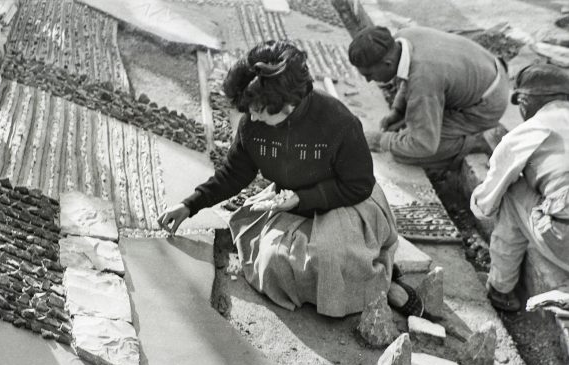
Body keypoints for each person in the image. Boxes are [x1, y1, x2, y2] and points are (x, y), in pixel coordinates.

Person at [158, 40, 423, 318]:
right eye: (250, 109)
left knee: (327, 257)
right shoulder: (254, 125)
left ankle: (383, 283)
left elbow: (358, 185)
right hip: (292, 204)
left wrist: (304, 198)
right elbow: (233, 174)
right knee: (273, 263)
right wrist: (190, 205)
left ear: (288, 103)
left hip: (346, 202)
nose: (252, 116)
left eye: (259, 109)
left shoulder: (339, 122)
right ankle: (343, 281)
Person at [470, 63, 569, 312]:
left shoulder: (533, 129)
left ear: (526, 99)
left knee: (512, 191)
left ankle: (500, 288)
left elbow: (486, 204)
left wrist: (476, 200)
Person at [347, 26, 510, 170]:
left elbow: (423, 145)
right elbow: (408, 75)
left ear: (388, 63)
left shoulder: (423, 79)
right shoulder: (402, 38)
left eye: (369, 74)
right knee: (409, 132)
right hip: (487, 71)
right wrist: (398, 110)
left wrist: (381, 140)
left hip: (489, 103)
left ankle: (477, 142)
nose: (368, 81)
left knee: (405, 153)